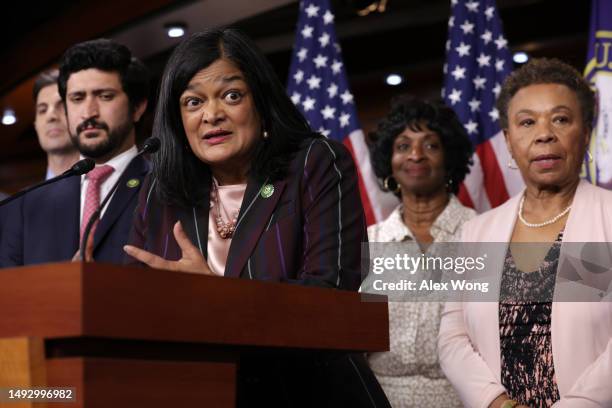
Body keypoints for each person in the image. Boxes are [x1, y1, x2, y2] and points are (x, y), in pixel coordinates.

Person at [123, 28, 389, 407]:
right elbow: (134, 302)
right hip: (198, 392)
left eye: (231, 96)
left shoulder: (313, 163)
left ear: (260, 101)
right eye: (193, 102)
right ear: (177, 119)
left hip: (307, 394)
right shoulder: (161, 191)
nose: (212, 115)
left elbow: (331, 294)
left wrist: (217, 296)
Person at [438, 58, 612, 408]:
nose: (544, 133)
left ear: (587, 131)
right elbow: (452, 337)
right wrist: (496, 402)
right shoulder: (477, 232)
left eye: (561, 119)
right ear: (508, 139)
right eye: (527, 122)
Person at [0, 39, 149, 266]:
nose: (89, 112)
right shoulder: (25, 206)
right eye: (77, 98)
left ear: (137, 108)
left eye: (105, 96)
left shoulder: (167, 187)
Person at [366, 96, 474, 407]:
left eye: (430, 145)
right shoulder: (369, 243)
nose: (415, 155)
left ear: (449, 158)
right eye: (402, 146)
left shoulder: (483, 234)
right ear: (389, 161)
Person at [33, 70, 80, 179]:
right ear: (35, 125)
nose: (51, 116)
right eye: (42, 110)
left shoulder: (104, 187)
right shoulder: (27, 196)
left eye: (62, 106)